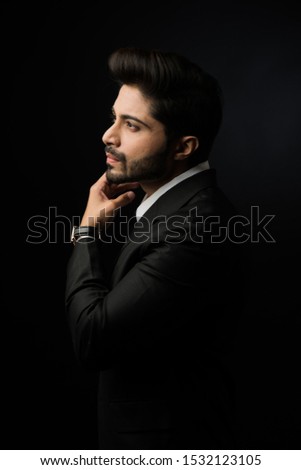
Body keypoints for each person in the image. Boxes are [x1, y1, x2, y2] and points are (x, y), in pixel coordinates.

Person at [65, 47, 247, 450]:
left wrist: (87, 232)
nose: (108, 136)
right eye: (114, 118)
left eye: (131, 125)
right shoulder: (175, 208)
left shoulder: (199, 226)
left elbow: (92, 337)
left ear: (183, 147)